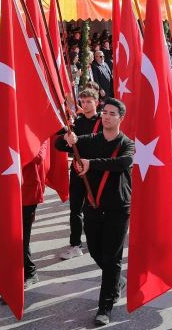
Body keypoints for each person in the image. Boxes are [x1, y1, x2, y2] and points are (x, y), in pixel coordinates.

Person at [56, 98, 134, 327]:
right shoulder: (91, 140)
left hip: (118, 208)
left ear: (121, 118)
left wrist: (92, 164)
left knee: (112, 257)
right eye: (104, 112)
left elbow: (123, 162)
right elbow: (60, 146)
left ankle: (105, 307)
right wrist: (67, 139)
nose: (106, 116)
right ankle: (116, 281)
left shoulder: (126, 142)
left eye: (112, 113)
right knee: (96, 251)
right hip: (93, 207)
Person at [0, 132, 48, 288]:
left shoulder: (38, 132)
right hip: (7, 192)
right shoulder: (7, 131)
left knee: (21, 238)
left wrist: (17, 143)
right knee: (9, 236)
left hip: (28, 193)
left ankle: (27, 274)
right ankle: (21, 273)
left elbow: (39, 157)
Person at [57, 89, 101, 260]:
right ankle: (75, 244)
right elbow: (58, 145)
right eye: (83, 101)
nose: (86, 105)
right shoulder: (77, 123)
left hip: (96, 172)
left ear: (96, 102)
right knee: (75, 209)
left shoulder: (103, 121)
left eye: (89, 101)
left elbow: (100, 141)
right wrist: (65, 139)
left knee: (95, 208)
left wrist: (80, 140)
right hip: (77, 173)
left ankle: (97, 240)